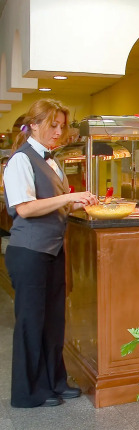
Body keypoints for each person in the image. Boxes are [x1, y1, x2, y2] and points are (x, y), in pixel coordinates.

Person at [4, 99, 98, 407]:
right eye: (52, 125)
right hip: (29, 252)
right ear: (33, 125)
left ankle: (55, 382)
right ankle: (29, 392)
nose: (58, 132)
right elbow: (25, 208)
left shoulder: (53, 161)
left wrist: (75, 203)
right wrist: (68, 197)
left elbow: (54, 204)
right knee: (31, 321)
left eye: (62, 126)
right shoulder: (21, 160)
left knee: (54, 320)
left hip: (53, 250)